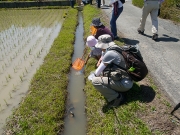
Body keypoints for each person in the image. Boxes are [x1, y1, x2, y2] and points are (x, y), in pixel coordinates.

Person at [90, 34, 133, 108]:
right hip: (129, 79)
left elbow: (97, 73)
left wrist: (91, 76)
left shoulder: (109, 54)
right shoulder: (116, 47)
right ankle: (117, 89)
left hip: (125, 84)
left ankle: (118, 97)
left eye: (100, 46)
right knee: (105, 72)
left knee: (95, 81)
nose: (100, 48)